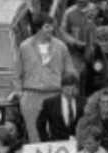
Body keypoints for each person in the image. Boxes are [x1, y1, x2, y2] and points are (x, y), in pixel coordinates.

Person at [13, 12, 75, 142]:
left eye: (52, 26)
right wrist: (20, 93)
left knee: (58, 131)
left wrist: (69, 88)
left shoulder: (61, 46)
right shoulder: (25, 47)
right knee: (34, 132)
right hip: (31, 94)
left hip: (55, 93)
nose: (51, 29)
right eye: (47, 26)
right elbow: (17, 72)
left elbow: (69, 70)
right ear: (38, 28)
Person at [36, 74, 85, 142]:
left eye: (73, 89)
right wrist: (46, 141)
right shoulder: (50, 103)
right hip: (56, 144)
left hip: (78, 143)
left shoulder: (84, 103)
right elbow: (40, 124)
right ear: (62, 88)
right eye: (67, 90)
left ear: (77, 89)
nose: (70, 93)